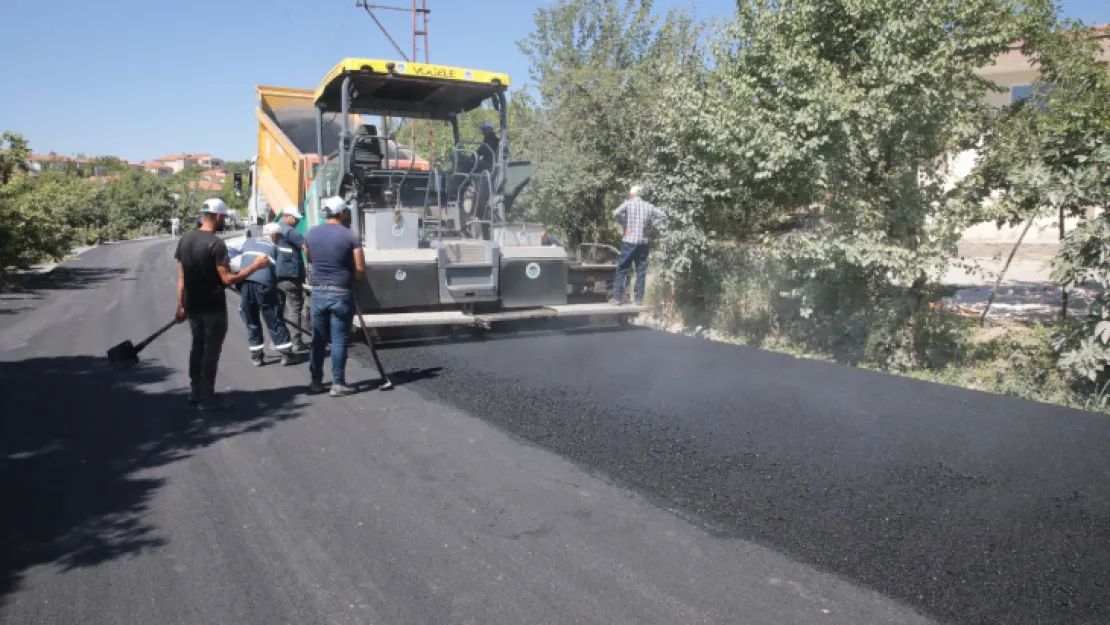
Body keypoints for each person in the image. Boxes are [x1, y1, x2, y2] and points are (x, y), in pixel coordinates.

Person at [174, 198, 269, 410]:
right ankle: (208, 398)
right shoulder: (216, 244)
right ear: (217, 216)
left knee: (197, 347)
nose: (224, 221)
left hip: (192, 306)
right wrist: (254, 267)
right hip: (212, 307)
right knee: (211, 351)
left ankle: (195, 391)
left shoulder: (185, 239)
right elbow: (227, 279)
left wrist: (180, 306)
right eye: (224, 217)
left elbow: (181, 277)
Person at [304, 196, 365, 397]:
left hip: (319, 292)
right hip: (341, 292)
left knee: (318, 339)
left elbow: (310, 257)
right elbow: (360, 269)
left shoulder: (311, 233)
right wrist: (352, 281)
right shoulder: (350, 236)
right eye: (346, 212)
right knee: (339, 340)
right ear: (341, 213)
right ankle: (338, 383)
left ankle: (315, 382)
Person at [237, 222, 297, 367]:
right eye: (278, 236)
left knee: (251, 319)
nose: (278, 238)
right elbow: (275, 271)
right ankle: (286, 354)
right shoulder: (274, 247)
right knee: (273, 318)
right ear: (274, 234)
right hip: (264, 283)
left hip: (245, 281)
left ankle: (256, 357)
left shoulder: (248, 241)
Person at [609, 185, 666, 306]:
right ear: (641, 195)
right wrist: (650, 226)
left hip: (629, 241)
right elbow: (662, 215)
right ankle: (638, 299)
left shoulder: (628, 204)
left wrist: (624, 225)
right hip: (643, 243)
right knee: (640, 271)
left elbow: (616, 213)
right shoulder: (648, 206)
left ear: (631, 194)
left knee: (622, 269)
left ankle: (617, 298)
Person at [275, 206, 308, 352]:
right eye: (294, 218)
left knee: (279, 309)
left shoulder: (274, 230)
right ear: (286, 216)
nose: (296, 221)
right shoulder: (291, 231)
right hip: (291, 276)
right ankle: (296, 342)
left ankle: (281, 341)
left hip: (276, 275)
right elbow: (306, 247)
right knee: (294, 309)